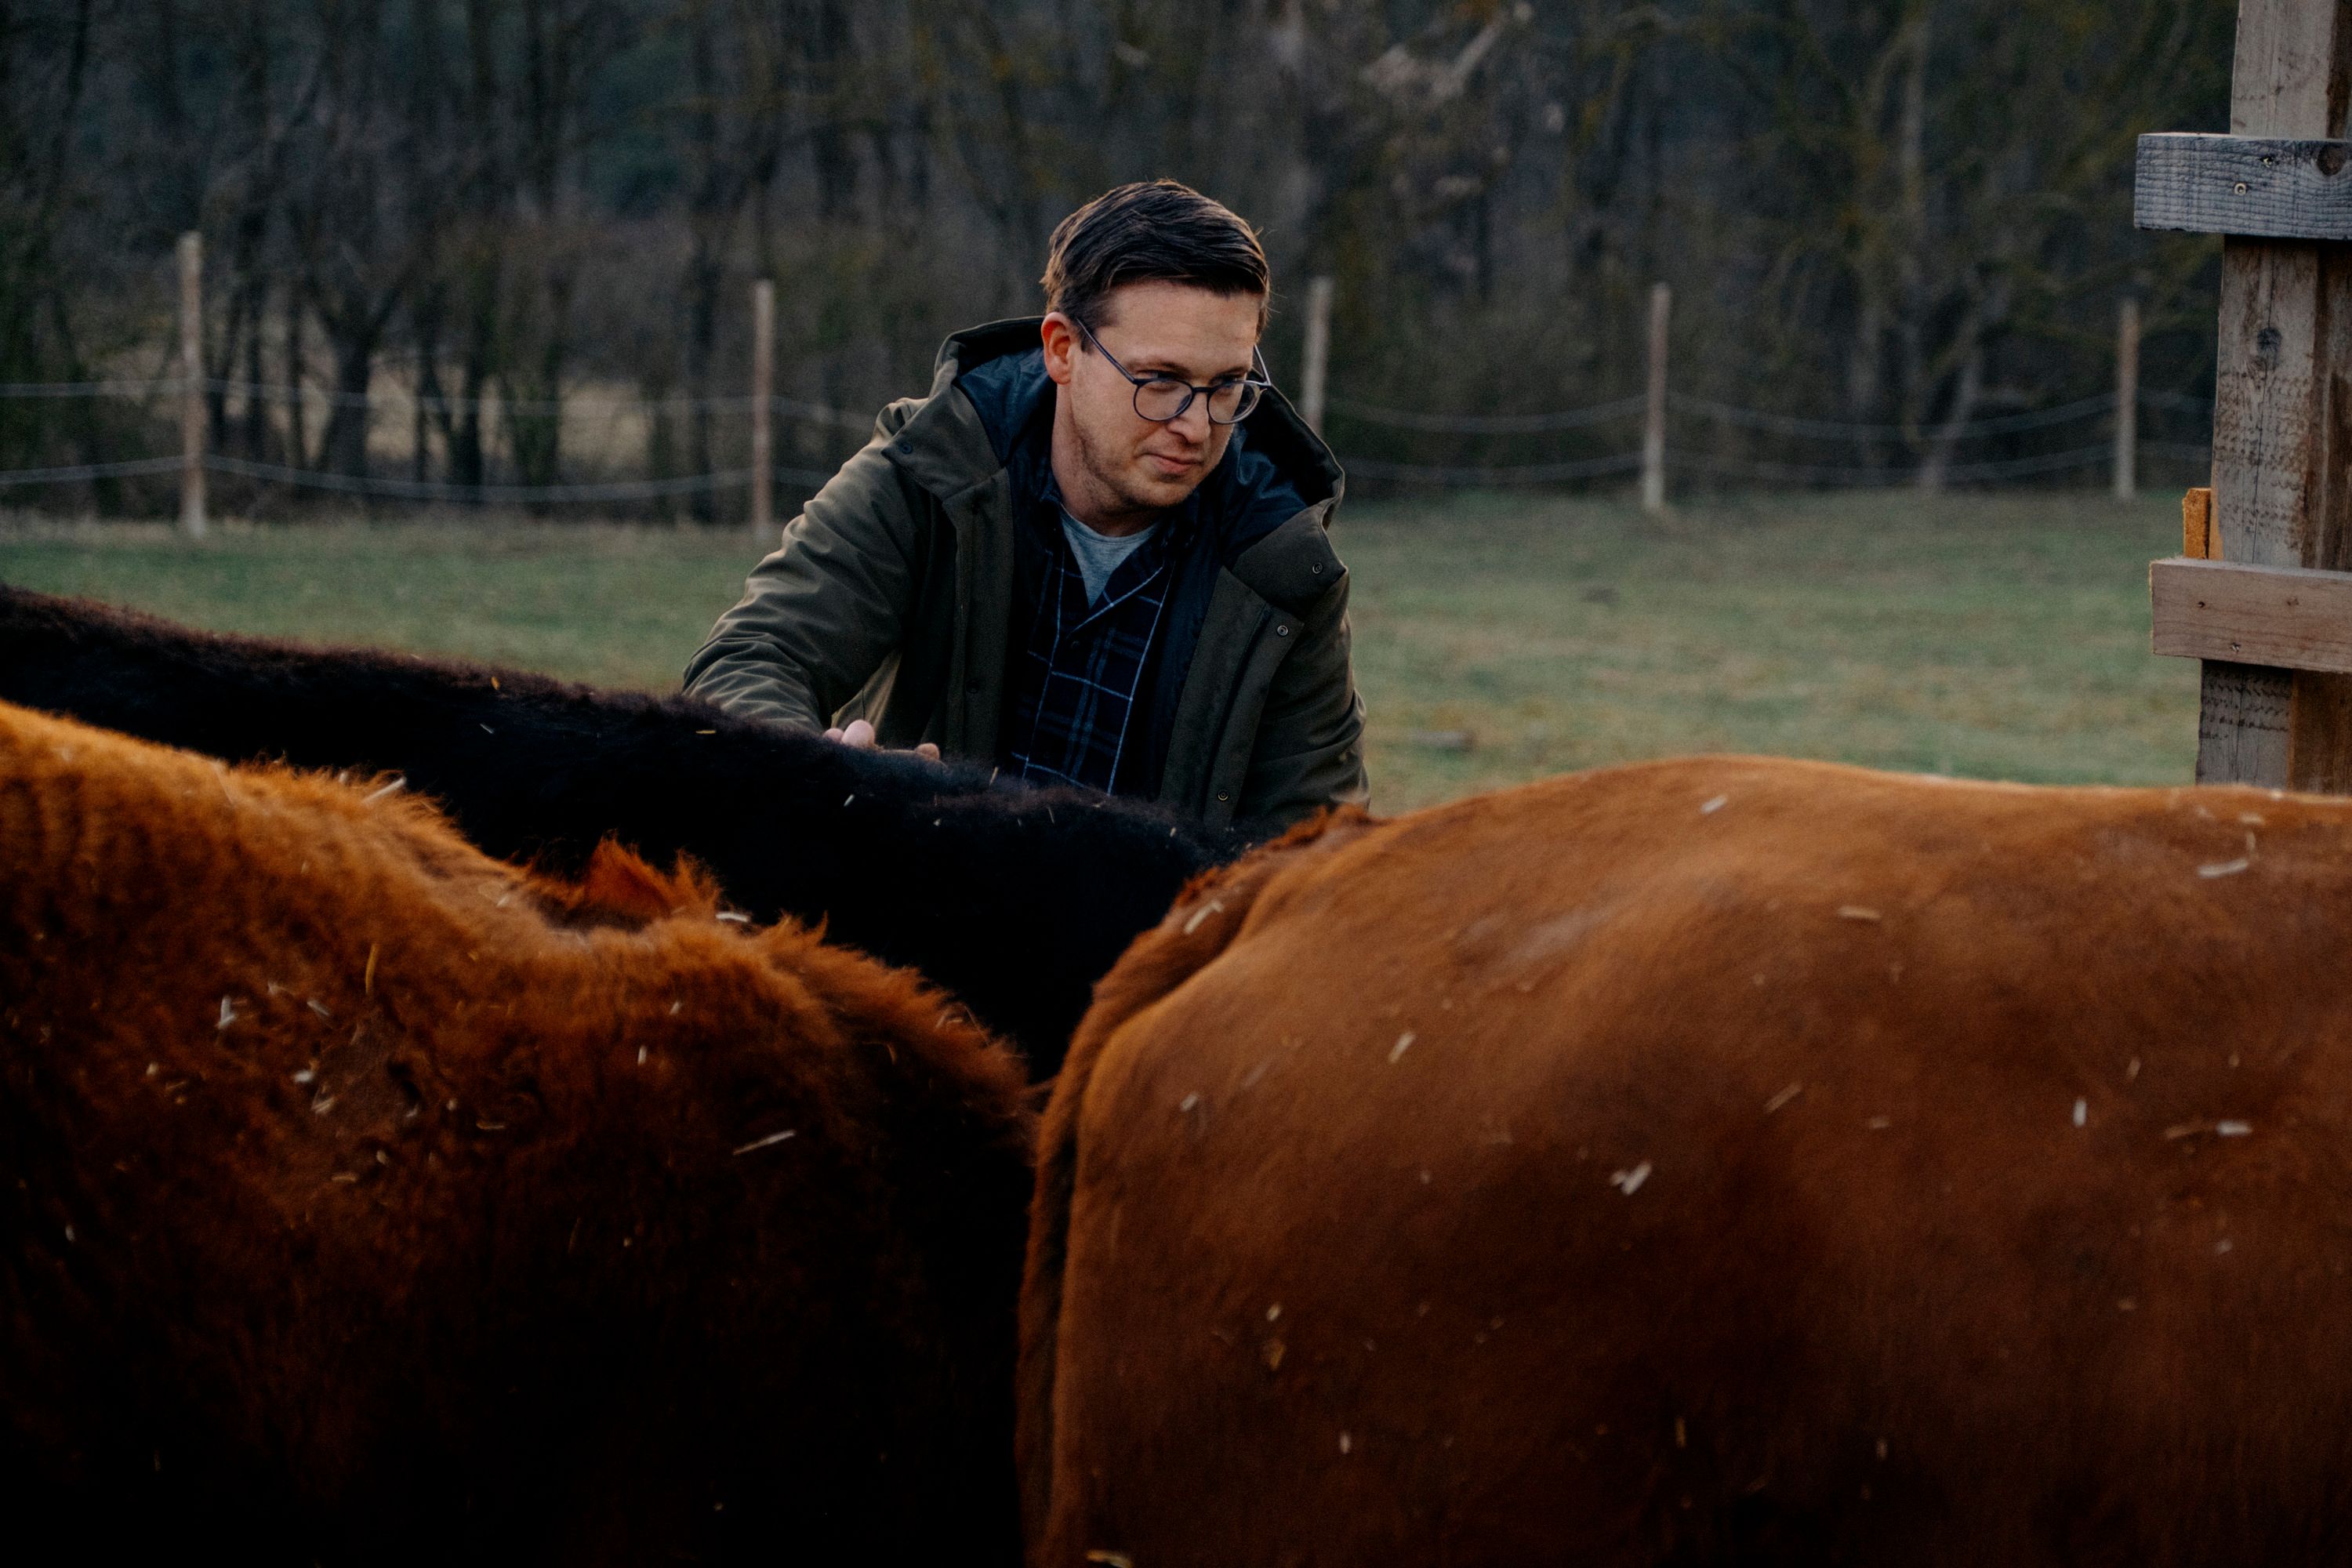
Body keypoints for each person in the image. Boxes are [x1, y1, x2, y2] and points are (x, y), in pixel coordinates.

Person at [682, 180, 1367, 828]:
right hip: (912, 908)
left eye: (1227, 386)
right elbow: (748, 660)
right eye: (1160, 381)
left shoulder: (1283, 567)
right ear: (1063, 350)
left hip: (1153, 943)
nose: (1196, 424)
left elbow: (1317, 855)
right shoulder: (935, 467)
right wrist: (832, 782)